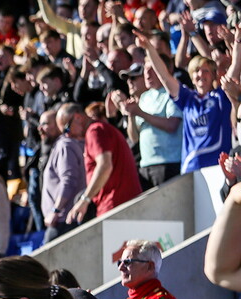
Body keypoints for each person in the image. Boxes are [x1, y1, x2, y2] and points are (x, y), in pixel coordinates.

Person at [139, 29, 233, 174]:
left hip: (218, 166)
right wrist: (149, 49)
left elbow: (235, 71)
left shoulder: (221, 96)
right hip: (191, 168)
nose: (201, 74)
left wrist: (236, 43)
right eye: (196, 71)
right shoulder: (187, 98)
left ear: (214, 75)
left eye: (206, 71)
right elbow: (164, 76)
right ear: (191, 76)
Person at [64, 102, 142, 224]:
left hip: (116, 207)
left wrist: (85, 199)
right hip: (119, 206)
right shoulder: (100, 129)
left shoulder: (95, 131)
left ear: (77, 117)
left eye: (66, 129)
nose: (67, 136)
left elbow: (105, 165)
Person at [116, 59, 183, 189]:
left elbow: (172, 125)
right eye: (146, 70)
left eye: (152, 69)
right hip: (146, 165)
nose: (147, 74)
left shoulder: (172, 92)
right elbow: (134, 137)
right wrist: (131, 114)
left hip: (168, 163)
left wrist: (140, 113)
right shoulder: (144, 97)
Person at [42, 103, 87, 242]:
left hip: (62, 220)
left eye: (66, 127)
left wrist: (56, 211)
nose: (65, 133)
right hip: (68, 218)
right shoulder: (73, 143)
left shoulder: (66, 145)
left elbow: (69, 180)